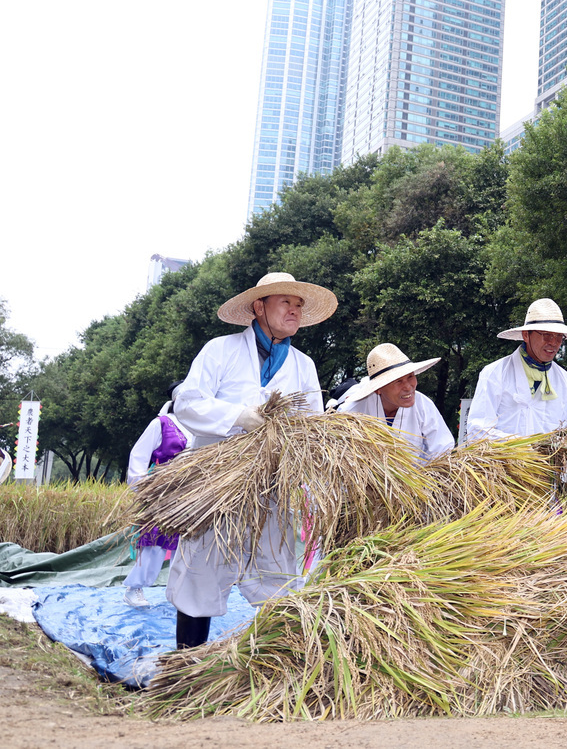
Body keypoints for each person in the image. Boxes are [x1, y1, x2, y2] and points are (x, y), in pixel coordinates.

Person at [167, 272, 336, 648]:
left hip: (275, 487)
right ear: (259, 307)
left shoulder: (303, 365)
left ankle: (275, 669)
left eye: (298, 305)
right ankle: (186, 668)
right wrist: (237, 417)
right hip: (217, 484)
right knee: (202, 570)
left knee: (277, 575)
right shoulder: (220, 350)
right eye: (285, 303)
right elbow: (189, 401)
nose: (294, 311)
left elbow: (313, 422)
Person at [465, 298, 567, 439]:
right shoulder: (495, 373)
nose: (553, 343)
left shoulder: (564, 380)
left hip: (550, 461)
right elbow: (478, 431)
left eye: (559, 337)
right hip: (505, 460)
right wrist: (523, 447)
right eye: (546, 335)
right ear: (526, 335)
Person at [121, 382, 191, 607]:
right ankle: (135, 588)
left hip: (193, 494)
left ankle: (180, 593)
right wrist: (144, 489)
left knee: (188, 544)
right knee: (155, 541)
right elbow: (138, 457)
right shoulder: (161, 424)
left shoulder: (203, 428)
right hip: (162, 494)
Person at [338, 343, 455, 464]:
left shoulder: (424, 406)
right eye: (398, 381)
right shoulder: (351, 413)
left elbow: (442, 451)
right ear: (378, 389)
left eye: (410, 376)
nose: (408, 387)